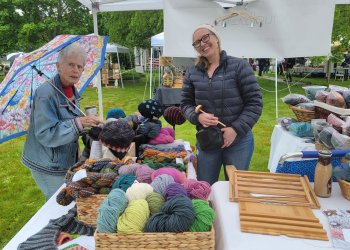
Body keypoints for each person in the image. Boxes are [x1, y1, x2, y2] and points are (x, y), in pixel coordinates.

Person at [181, 24, 263, 185]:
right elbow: (185, 104)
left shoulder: (239, 66)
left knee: (235, 188)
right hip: (208, 140)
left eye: (205, 37)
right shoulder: (192, 72)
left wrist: (235, 129)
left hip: (238, 141)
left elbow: (254, 103)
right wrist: (198, 117)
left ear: (216, 38)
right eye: (197, 42)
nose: (202, 44)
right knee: (205, 188)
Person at [22, 43, 103, 201]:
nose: (76, 70)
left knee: (66, 198)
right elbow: (46, 134)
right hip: (47, 164)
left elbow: (71, 124)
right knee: (56, 203)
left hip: (64, 160)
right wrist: (78, 122)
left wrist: (90, 128)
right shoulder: (45, 94)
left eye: (80, 67)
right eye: (71, 64)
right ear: (59, 66)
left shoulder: (71, 91)